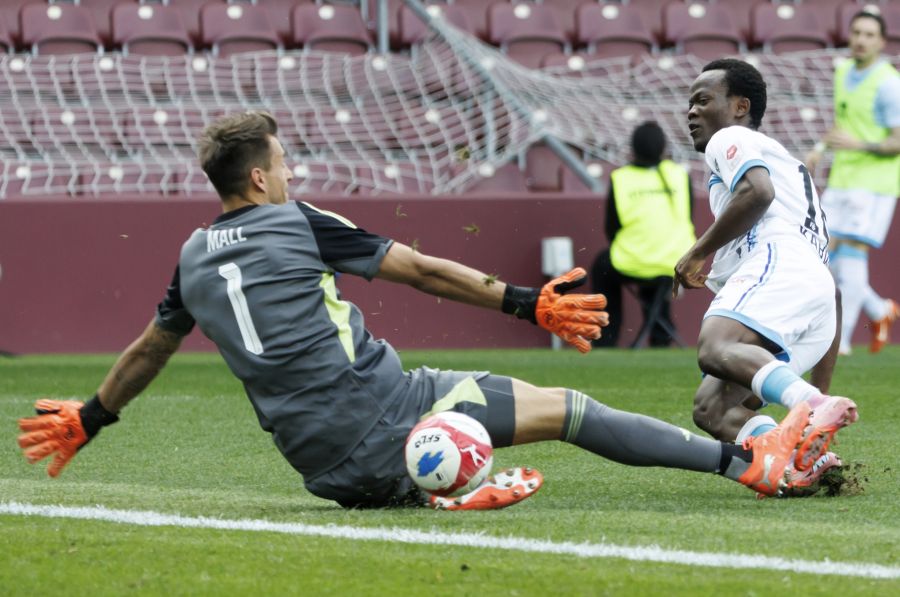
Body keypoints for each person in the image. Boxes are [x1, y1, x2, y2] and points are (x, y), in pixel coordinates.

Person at [19, 112, 834, 508]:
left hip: (321, 469)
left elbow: (149, 348)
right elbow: (420, 269)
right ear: (260, 179)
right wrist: (528, 303)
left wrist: (92, 415)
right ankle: (747, 463)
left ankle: (438, 481)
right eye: (284, 162)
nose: (291, 172)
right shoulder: (295, 220)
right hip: (387, 411)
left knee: (444, 412)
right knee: (572, 410)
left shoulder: (193, 255)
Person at [676, 59, 859, 492]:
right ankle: (803, 461)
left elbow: (757, 192)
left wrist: (697, 253)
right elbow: (829, 291)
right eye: (689, 104)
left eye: (703, 100)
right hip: (815, 295)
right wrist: (822, 390)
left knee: (715, 347)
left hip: (780, 265)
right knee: (712, 409)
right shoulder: (793, 170)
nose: (692, 111)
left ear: (740, 107)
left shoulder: (730, 137)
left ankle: (810, 405)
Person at [805, 10, 900, 356]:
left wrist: (858, 145)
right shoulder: (843, 71)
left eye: (869, 35)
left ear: (882, 42)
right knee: (822, 251)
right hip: (843, 177)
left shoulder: (889, 83)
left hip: (874, 183)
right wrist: (819, 150)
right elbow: (842, 123)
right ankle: (879, 310)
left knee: (852, 253)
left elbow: (898, 140)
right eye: (857, 32)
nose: (861, 40)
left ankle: (840, 341)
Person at [591, 121, 696, 348]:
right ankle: (660, 335)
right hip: (678, 262)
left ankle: (607, 337)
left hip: (635, 261)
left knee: (603, 266)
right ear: (663, 148)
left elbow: (611, 228)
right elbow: (687, 217)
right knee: (657, 272)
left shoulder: (621, 178)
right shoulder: (679, 175)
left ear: (633, 148)